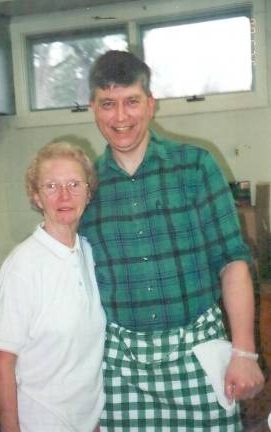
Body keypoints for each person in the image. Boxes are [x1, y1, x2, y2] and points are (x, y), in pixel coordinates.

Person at [80, 50, 265, 431]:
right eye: (108, 104)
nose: (120, 117)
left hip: (197, 354)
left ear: (151, 104)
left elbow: (233, 261)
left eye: (131, 102)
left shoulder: (195, 165)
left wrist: (244, 351)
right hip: (121, 366)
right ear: (93, 108)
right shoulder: (86, 186)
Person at [0, 142, 106, 432]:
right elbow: (2, 364)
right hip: (42, 422)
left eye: (74, 184)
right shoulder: (22, 267)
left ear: (88, 193)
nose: (64, 195)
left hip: (90, 422)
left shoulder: (88, 252)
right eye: (51, 186)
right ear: (36, 196)